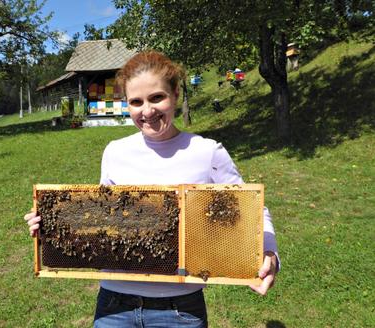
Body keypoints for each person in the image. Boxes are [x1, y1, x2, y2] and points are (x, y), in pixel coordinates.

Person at [24, 50, 279, 327]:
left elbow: (250, 210)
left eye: (157, 97)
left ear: (175, 95)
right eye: (136, 102)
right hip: (113, 306)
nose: (147, 111)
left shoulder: (207, 152)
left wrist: (268, 253)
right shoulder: (115, 152)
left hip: (180, 309)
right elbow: (99, 217)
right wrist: (51, 223)